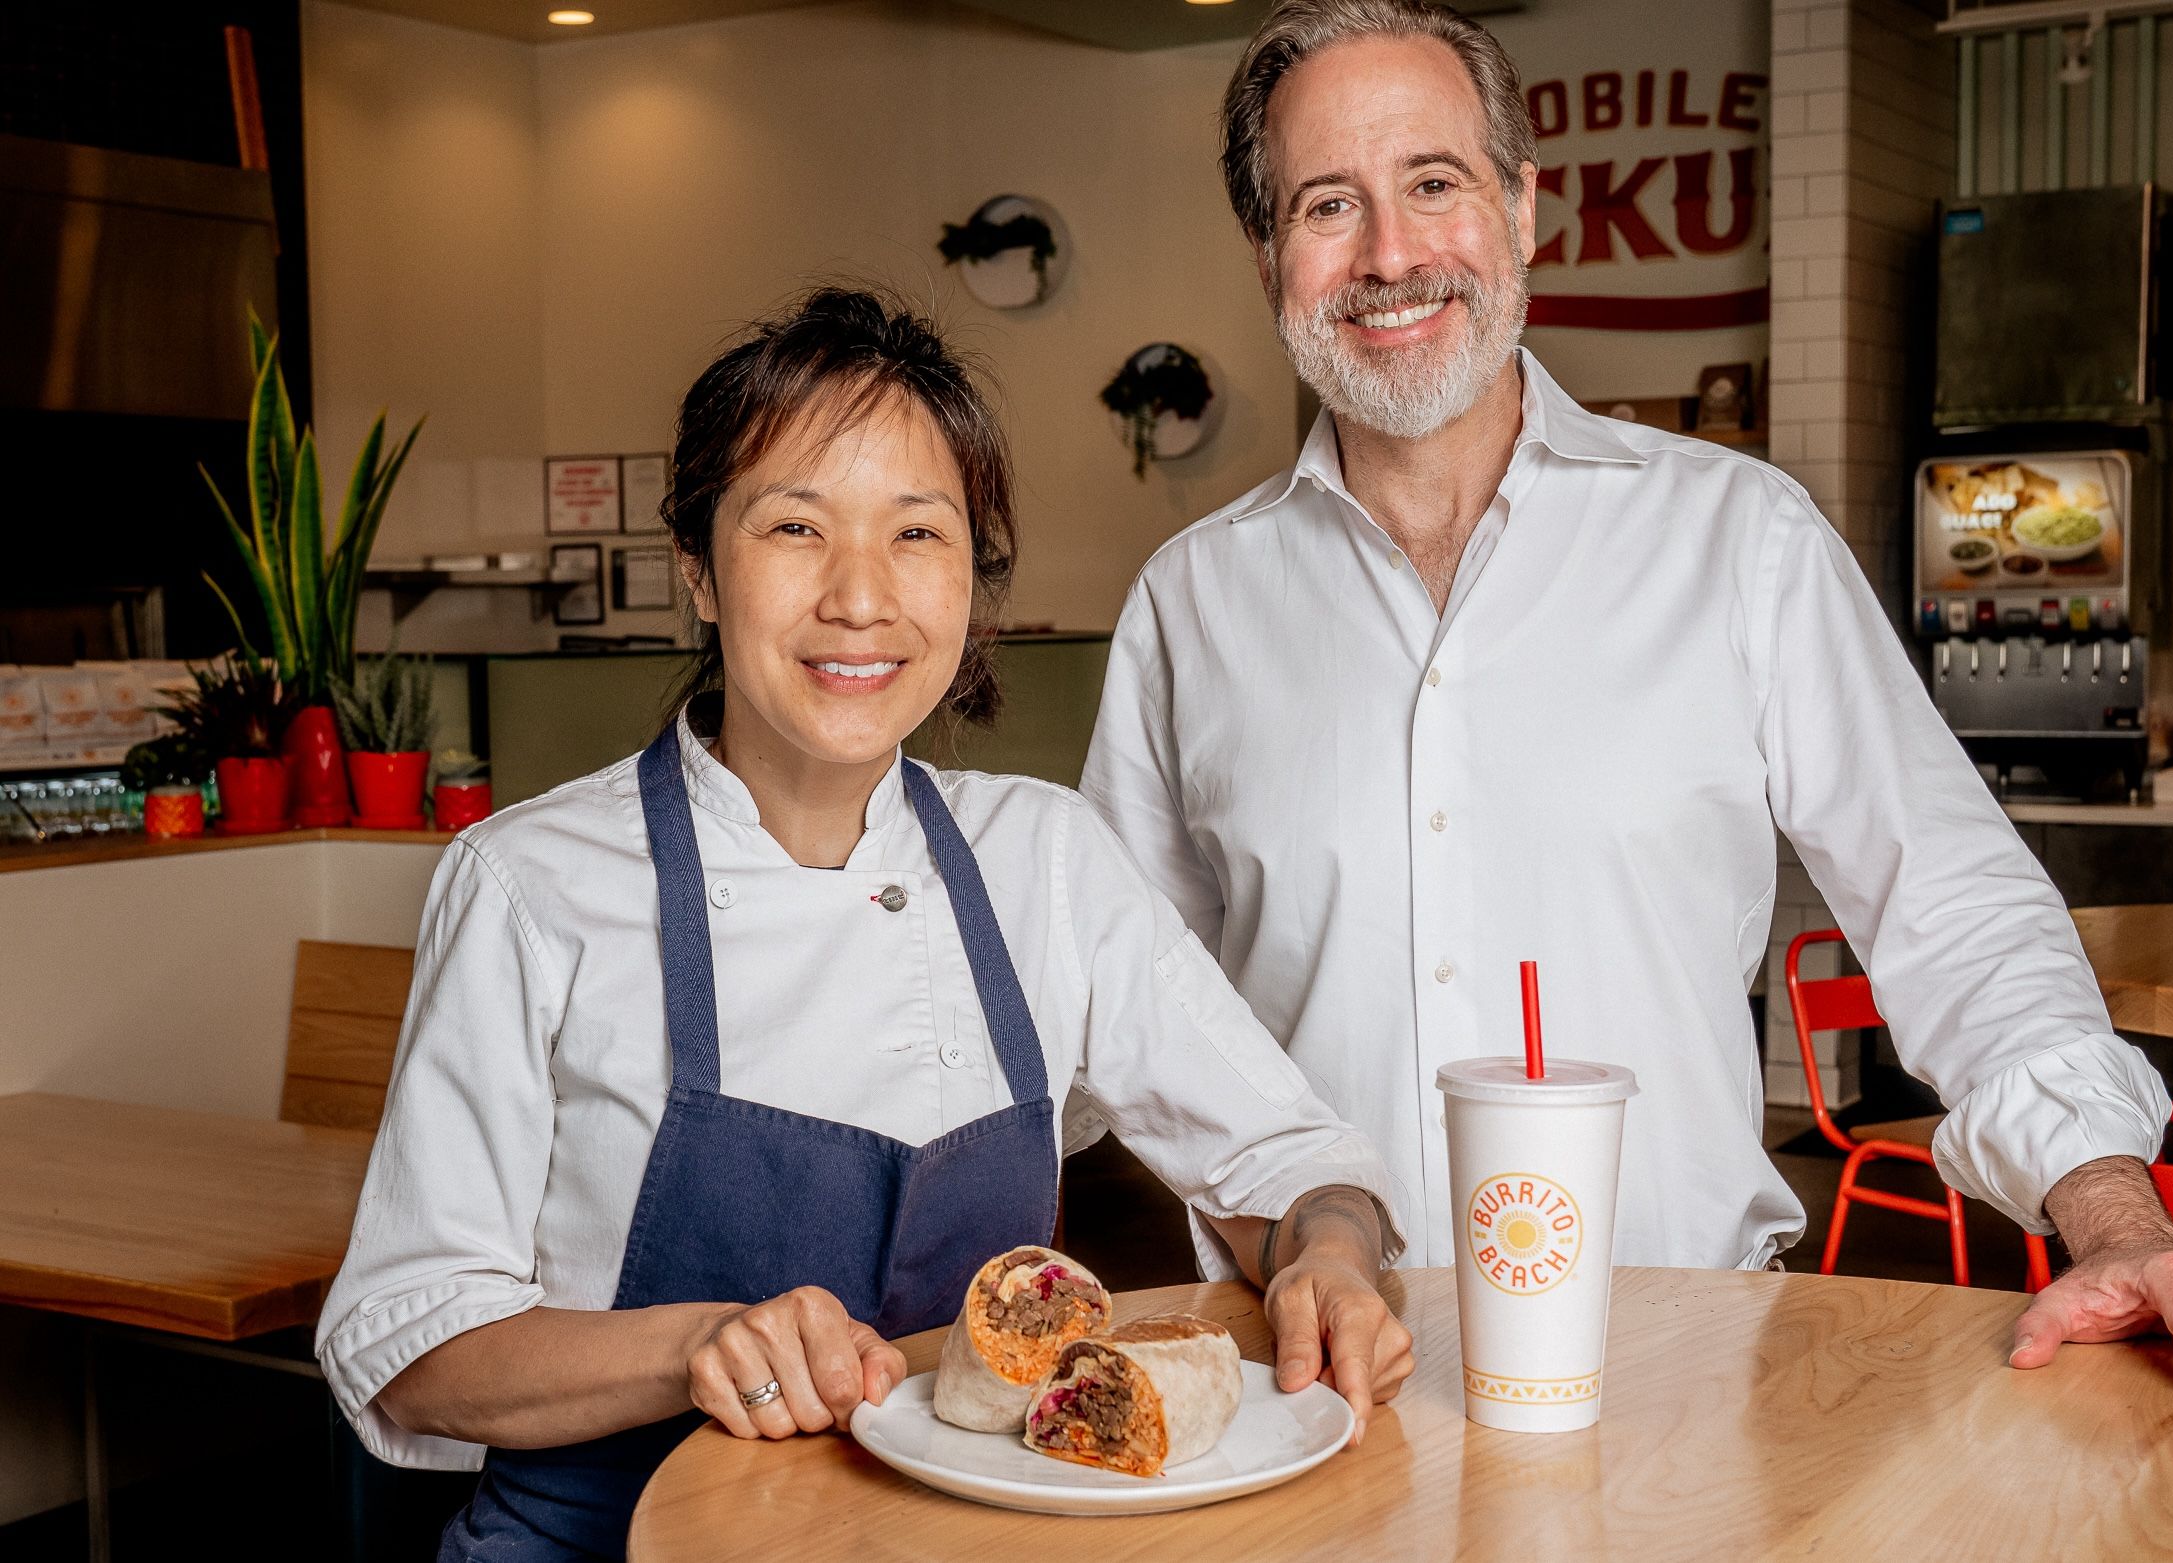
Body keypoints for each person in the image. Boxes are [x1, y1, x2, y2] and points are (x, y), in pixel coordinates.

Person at [1080, 0, 2173, 1413]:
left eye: (1433, 184)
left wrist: (2121, 1227)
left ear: (1524, 209)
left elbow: (1947, 900)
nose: (1389, 255)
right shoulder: (1189, 604)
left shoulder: (1738, 540)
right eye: (1328, 204)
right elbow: (1112, 1003)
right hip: (1306, 1384)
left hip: (1676, 1365)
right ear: (1269, 255)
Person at [316, 289, 1411, 1562]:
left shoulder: (1040, 856)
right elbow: (407, 1345)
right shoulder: (529, 883)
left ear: (969, 574)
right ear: (697, 569)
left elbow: (1291, 1162)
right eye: (793, 526)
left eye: (917, 534)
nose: (859, 597)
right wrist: (692, 1344)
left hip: (961, 1542)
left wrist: (1326, 1256)